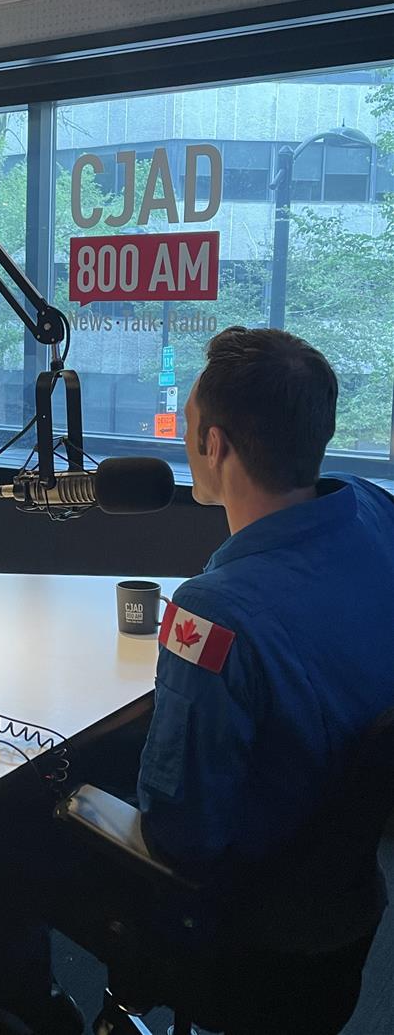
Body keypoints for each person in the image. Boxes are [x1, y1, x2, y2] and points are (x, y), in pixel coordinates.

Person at [129, 326, 394, 1033]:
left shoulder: (212, 616)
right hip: (348, 903)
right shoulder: (374, 511)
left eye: (188, 426)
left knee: (27, 820)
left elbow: (181, 831)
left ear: (215, 444)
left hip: (247, 937)